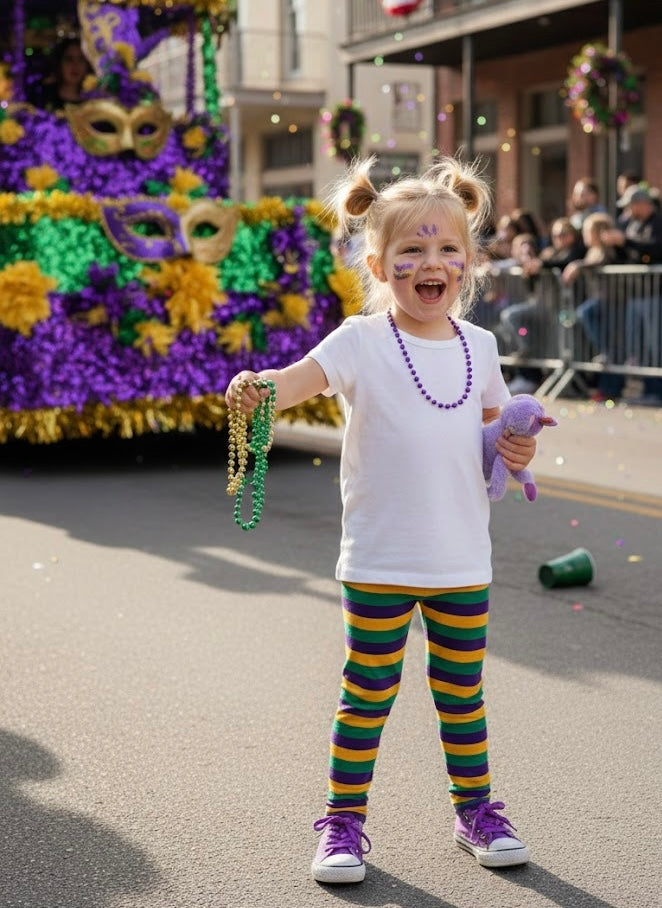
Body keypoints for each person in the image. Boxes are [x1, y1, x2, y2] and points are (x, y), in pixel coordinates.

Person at [225, 157, 538, 884]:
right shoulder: (359, 341)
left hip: (461, 559)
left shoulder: (481, 348)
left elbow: (493, 449)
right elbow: (293, 381)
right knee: (366, 695)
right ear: (377, 262)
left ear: (469, 261)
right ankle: (341, 825)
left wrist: (515, 448)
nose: (431, 264)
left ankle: (476, 812)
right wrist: (255, 388)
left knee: (462, 697)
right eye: (412, 251)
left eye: (446, 250)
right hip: (378, 559)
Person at [29, 38, 92, 111]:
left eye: (81, 59)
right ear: (59, 63)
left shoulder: (94, 102)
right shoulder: (42, 96)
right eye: (69, 59)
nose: (75, 65)